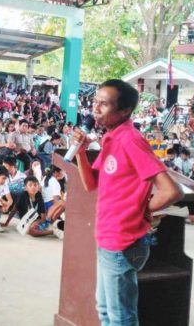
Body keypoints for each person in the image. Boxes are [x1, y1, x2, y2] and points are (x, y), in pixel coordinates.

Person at [73, 79, 181, 326]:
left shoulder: (130, 140)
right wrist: (80, 151)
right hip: (108, 237)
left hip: (123, 241)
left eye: (104, 104)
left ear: (124, 111)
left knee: (121, 318)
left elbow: (170, 191)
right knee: (105, 311)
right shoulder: (112, 138)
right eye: (94, 102)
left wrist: (142, 209)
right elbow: (92, 184)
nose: (95, 109)